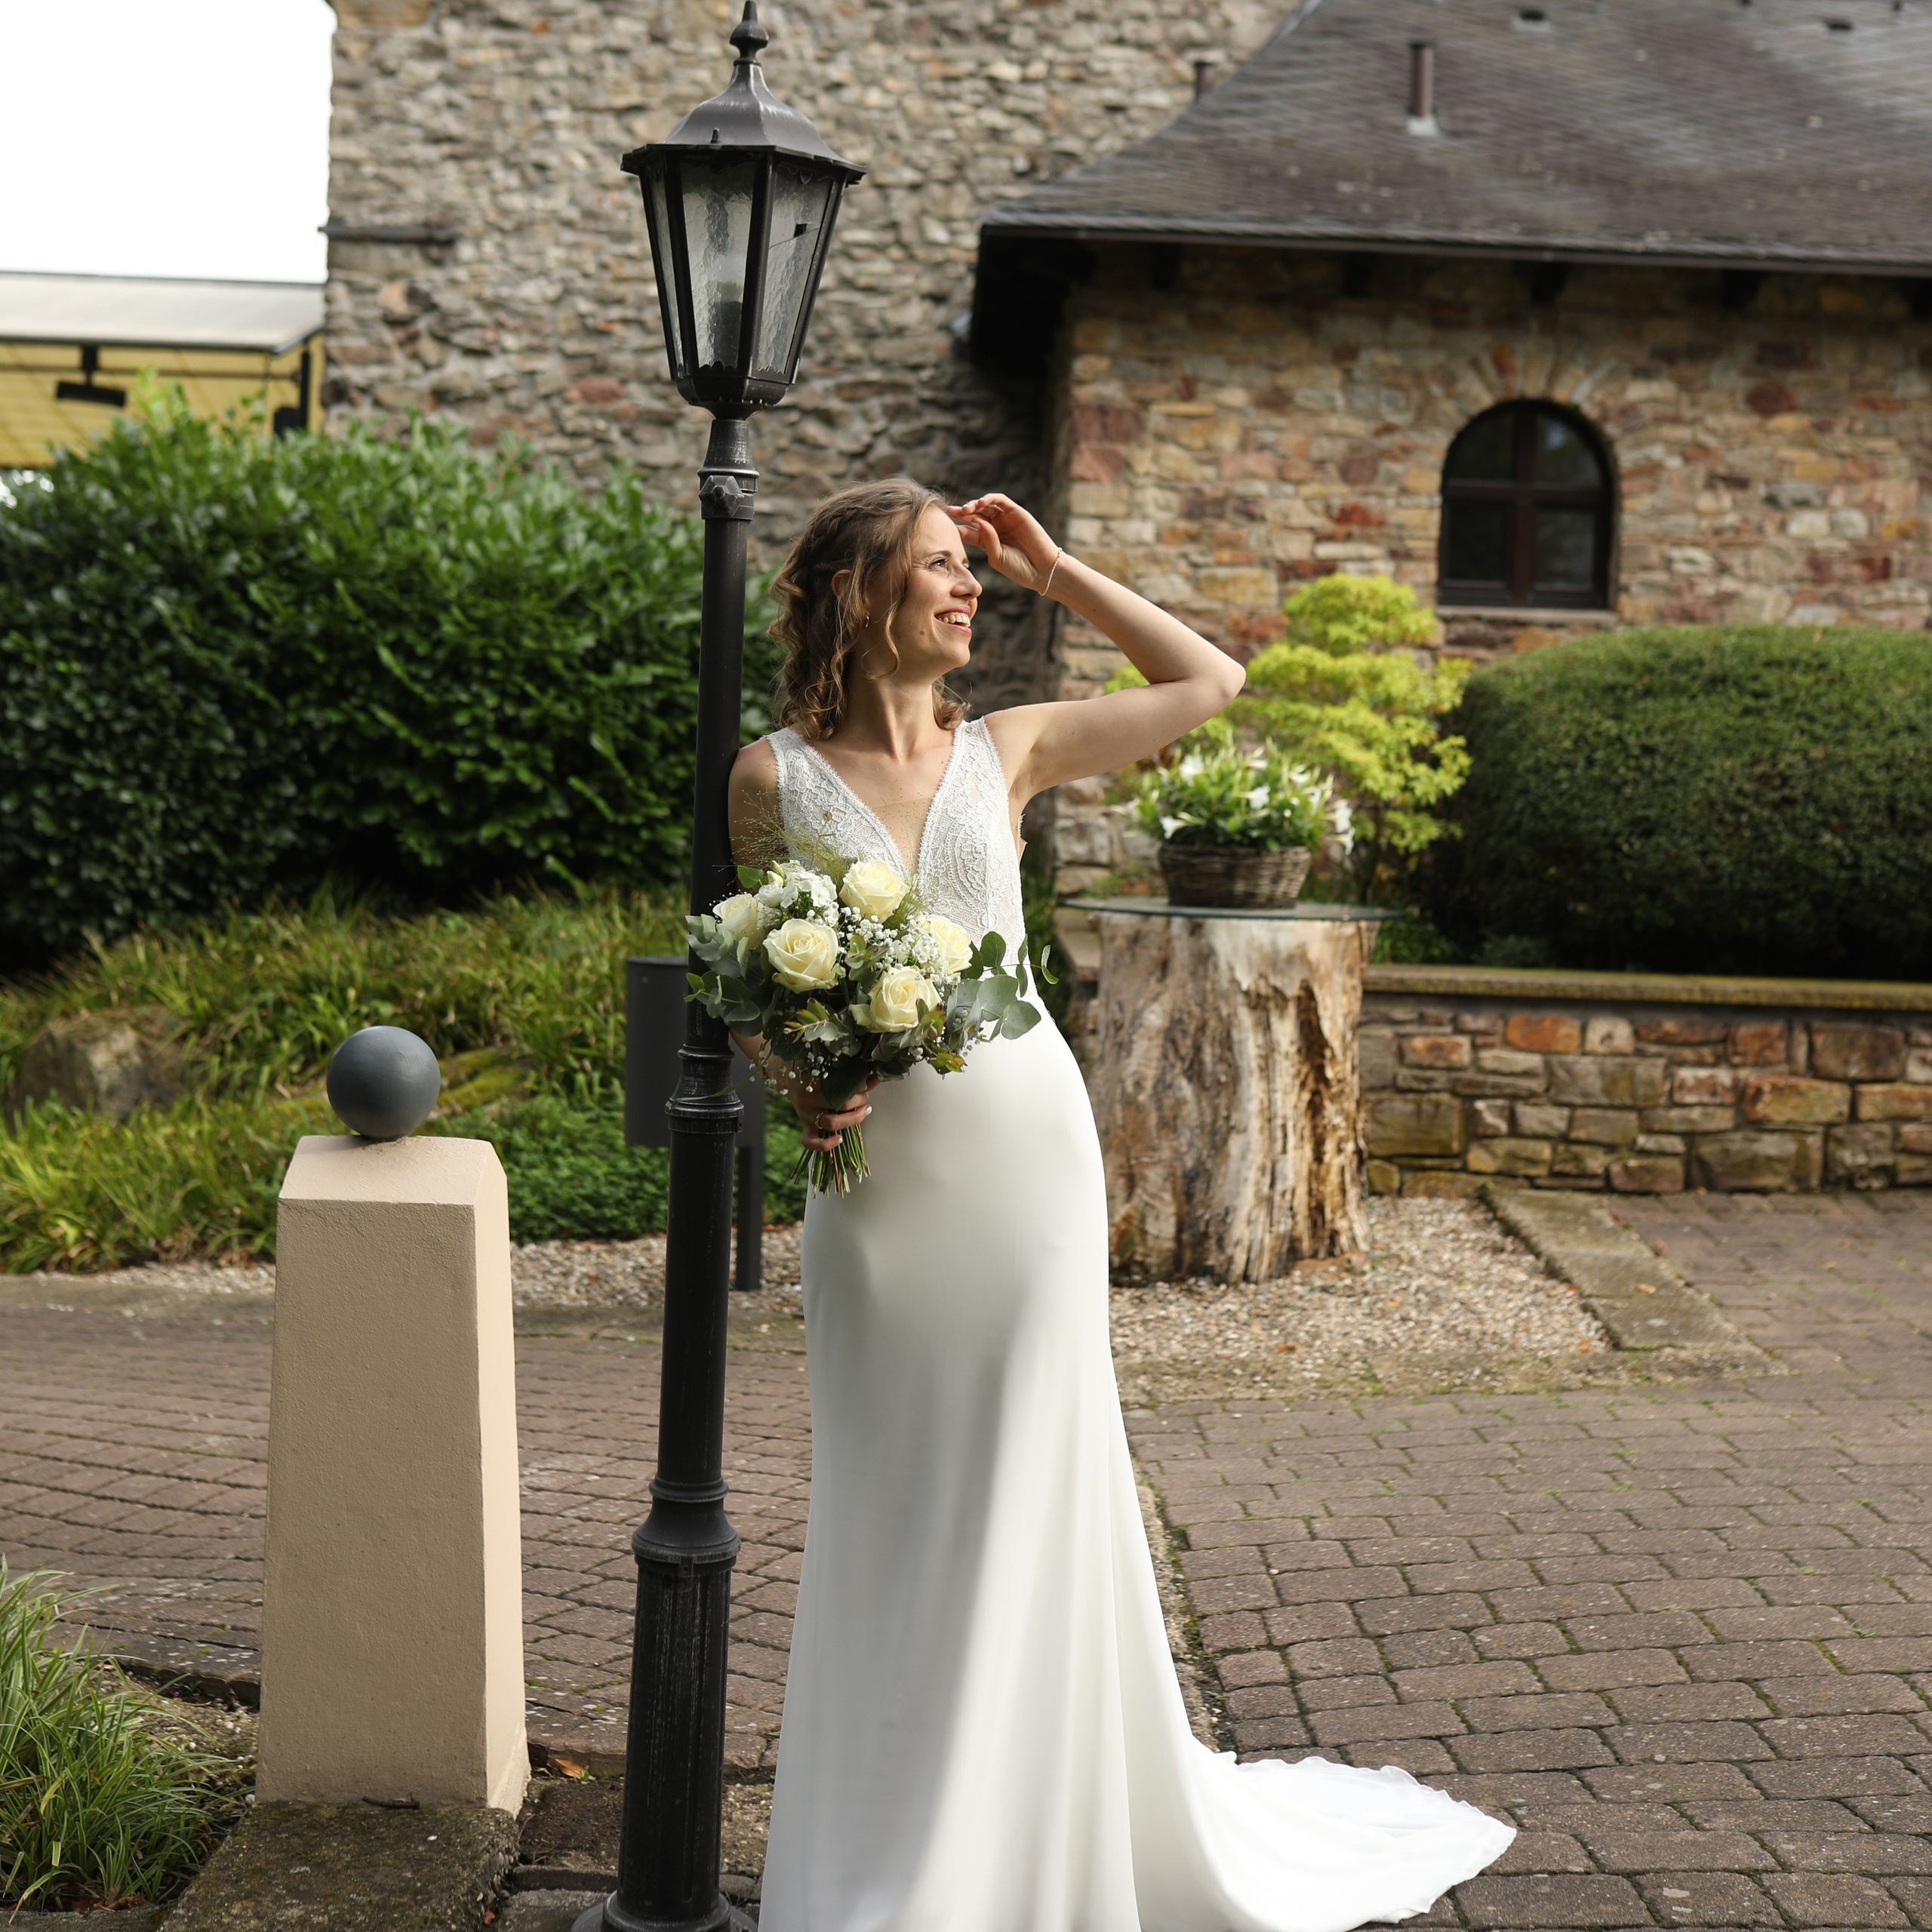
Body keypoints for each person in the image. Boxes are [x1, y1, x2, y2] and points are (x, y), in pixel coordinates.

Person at [728, 480, 1513, 1932]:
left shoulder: (1007, 749)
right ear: (854, 596)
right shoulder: (770, 778)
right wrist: (802, 1085)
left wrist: (1057, 564)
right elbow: (773, 989)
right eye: (941, 570)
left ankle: (1019, 1840)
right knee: (894, 1500)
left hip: (1023, 1158)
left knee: (1029, 1477)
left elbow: (1208, 681)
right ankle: (895, 1843)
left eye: (975, 570)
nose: (969, 590)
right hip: (882, 1196)